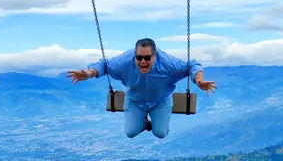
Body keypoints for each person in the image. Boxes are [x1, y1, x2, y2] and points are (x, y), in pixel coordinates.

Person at [67, 38, 217, 139]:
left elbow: (193, 65)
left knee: (160, 133)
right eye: (139, 58)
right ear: (135, 55)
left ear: (155, 56)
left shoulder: (168, 63)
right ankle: (144, 122)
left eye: (147, 58)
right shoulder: (125, 61)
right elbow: (103, 65)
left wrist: (199, 80)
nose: (143, 62)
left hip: (160, 100)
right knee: (130, 133)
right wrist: (89, 73)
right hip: (135, 100)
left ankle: (154, 121)